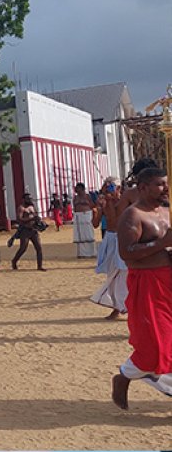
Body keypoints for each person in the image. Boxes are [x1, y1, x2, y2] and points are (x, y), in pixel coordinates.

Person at [112, 167, 172, 410]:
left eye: (165, 183)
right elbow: (126, 253)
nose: (165, 188)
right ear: (143, 187)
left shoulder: (166, 211)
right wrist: (162, 243)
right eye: (159, 184)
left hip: (168, 281)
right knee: (154, 345)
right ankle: (125, 376)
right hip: (147, 284)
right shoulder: (132, 216)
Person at [90, 177, 128, 320]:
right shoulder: (104, 204)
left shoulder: (125, 202)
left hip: (123, 238)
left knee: (124, 274)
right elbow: (95, 224)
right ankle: (117, 307)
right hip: (110, 238)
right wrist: (97, 209)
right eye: (106, 188)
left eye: (110, 188)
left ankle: (125, 306)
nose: (108, 191)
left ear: (118, 189)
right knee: (112, 274)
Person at [11, 193, 46, 271]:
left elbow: (35, 216)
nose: (29, 200)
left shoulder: (32, 207)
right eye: (28, 199)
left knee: (39, 248)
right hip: (25, 230)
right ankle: (14, 261)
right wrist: (31, 219)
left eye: (30, 198)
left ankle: (39, 266)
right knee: (23, 248)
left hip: (33, 230)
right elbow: (20, 219)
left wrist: (38, 220)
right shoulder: (21, 208)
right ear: (23, 199)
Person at [72, 183, 97, 258]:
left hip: (86, 216)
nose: (76, 189)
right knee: (80, 235)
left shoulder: (88, 196)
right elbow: (74, 206)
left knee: (88, 234)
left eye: (77, 188)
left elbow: (93, 205)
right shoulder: (75, 198)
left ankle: (92, 253)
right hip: (78, 217)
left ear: (82, 188)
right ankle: (81, 254)